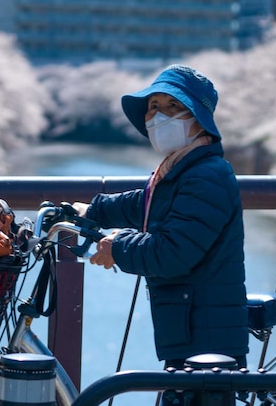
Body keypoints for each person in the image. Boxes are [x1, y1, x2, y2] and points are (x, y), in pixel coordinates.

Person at [75, 64, 248, 370]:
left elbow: (172, 253)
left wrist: (117, 247)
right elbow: (145, 204)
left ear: (199, 120)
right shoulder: (181, 169)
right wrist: (94, 211)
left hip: (206, 336)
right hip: (192, 326)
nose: (160, 116)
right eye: (154, 106)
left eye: (173, 106)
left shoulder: (206, 175)